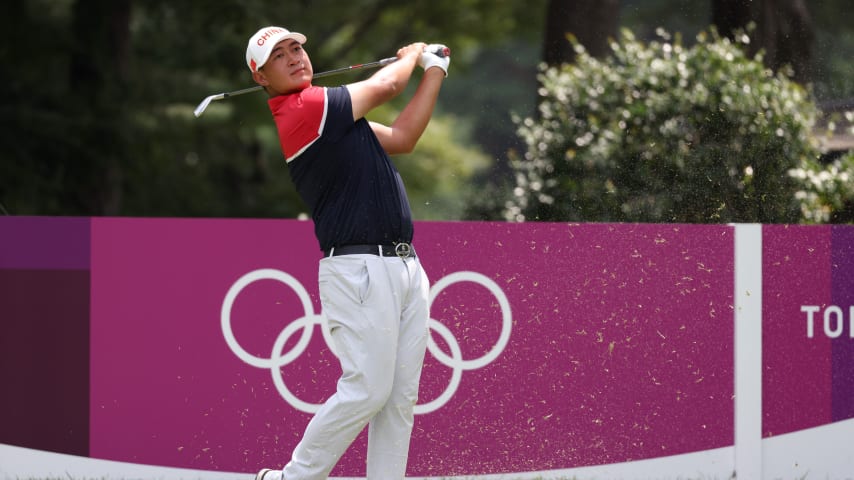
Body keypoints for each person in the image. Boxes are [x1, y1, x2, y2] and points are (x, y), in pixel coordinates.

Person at [244, 25, 449, 480]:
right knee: (368, 390)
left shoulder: (334, 117)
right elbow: (388, 85)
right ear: (261, 78)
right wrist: (412, 55)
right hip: (359, 268)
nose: (295, 57)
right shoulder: (304, 109)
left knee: (398, 400)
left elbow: (403, 137)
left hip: (404, 265)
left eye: (297, 47)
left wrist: (434, 71)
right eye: (279, 55)